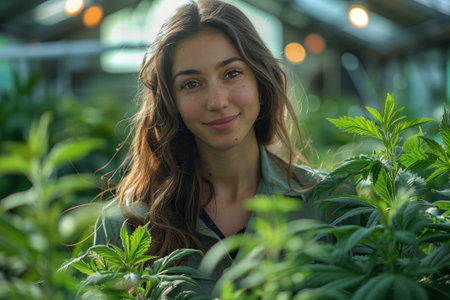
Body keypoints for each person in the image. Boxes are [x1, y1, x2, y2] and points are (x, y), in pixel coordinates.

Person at [94, 0, 347, 296]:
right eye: (191, 84)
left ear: (260, 82)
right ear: (171, 104)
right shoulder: (127, 225)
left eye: (232, 74)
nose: (217, 101)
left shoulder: (331, 203)